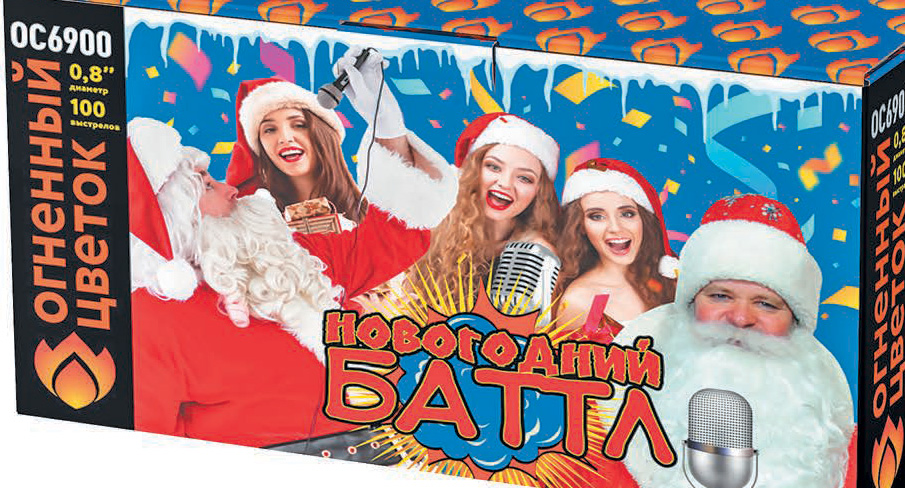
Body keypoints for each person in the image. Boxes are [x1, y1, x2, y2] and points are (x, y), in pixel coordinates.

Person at [128, 117, 431, 447]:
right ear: (178, 216)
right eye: (208, 186)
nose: (231, 190)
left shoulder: (291, 255)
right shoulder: (147, 321)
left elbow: (402, 229)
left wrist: (388, 127)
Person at [613, 194, 854, 488]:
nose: (740, 318)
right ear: (690, 305)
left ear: (795, 322)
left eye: (766, 304)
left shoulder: (840, 442)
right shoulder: (608, 428)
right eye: (720, 296)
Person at [225, 50, 455, 232]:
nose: (285, 138)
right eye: (269, 130)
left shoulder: (364, 215)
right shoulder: (256, 225)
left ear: (322, 134)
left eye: (299, 124)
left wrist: (387, 124)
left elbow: (409, 228)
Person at [407, 113, 563, 304]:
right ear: (473, 171)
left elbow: (519, 321)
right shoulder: (435, 225)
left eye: (524, 178)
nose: (505, 183)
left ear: (538, 191)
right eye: (494, 167)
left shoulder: (534, 255)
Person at [555, 159, 677, 341]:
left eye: (627, 214)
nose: (615, 227)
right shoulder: (581, 300)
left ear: (643, 219)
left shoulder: (672, 281)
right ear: (581, 226)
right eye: (597, 216)